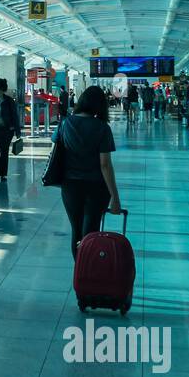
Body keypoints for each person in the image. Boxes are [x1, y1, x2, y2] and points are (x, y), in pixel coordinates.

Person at [58, 86, 122, 259]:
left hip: (70, 186)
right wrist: (115, 196)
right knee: (91, 231)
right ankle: (89, 272)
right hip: (97, 188)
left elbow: (57, 148)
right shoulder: (101, 128)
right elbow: (105, 165)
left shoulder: (65, 123)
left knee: (76, 231)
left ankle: (80, 271)